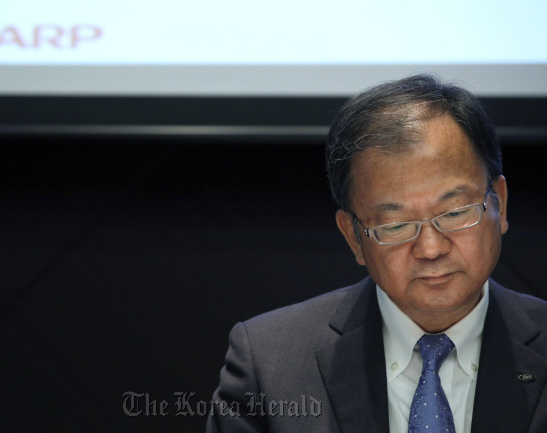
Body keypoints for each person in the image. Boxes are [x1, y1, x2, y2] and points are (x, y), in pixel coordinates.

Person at [206, 74, 547, 433]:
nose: (430, 248)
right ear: (354, 237)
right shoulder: (269, 363)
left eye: (455, 212)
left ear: (500, 204)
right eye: (395, 225)